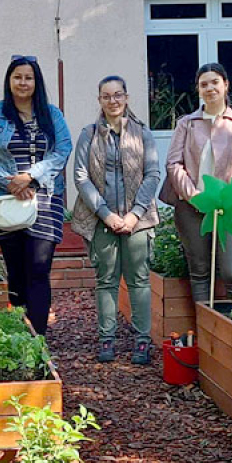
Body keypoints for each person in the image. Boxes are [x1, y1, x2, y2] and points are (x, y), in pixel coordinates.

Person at [0, 55, 72, 335]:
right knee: (16, 273)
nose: (23, 83)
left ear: (36, 81)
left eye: (28, 77)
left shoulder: (52, 114)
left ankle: (38, 340)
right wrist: (11, 181)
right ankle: (20, 335)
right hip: (8, 200)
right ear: (9, 81)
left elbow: (62, 149)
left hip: (45, 200)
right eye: (18, 77)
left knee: (39, 270)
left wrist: (31, 176)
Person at [72, 76, 160, 364]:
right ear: (99, 100)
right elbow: (81, 178)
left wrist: (134, 214)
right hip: (102, 220)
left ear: (127, 97)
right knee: (106, 280)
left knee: (139, 280)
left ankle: (142, 342)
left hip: (138, 220)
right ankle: (107, 340)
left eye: (118, 95)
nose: (113, 100)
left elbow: (152, 174)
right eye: (106, 96)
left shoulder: (143, 133)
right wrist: (106, 215)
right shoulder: (88, 134)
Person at [160, 63, 232, 303]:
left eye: (215, 82)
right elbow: (173, 163)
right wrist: (194, 196)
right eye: (204, 84)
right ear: (198, 90)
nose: (210, 88)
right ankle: (204, 328)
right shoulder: (187, 123)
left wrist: (227, 195)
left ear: (225, 85)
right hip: (192, 206)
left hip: (229, 208)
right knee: (200, 271)